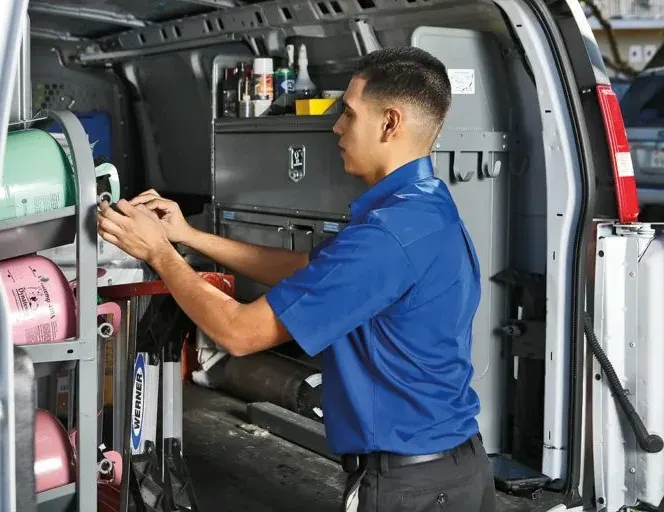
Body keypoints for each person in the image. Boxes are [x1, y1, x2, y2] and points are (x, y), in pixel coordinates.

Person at [97, 46, 496, 511]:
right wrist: (188, 235)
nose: (337, 127)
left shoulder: (388, 236)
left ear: (390, 123)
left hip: (415, 488)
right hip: (451, 469)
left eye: (348, 113)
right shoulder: (421, 208)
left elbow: (240, 333)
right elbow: (307, 270)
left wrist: (159, 253)